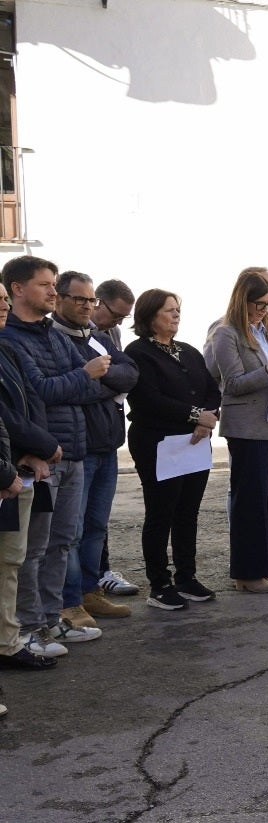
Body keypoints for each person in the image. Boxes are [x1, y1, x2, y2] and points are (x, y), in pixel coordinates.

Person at [0, 256, 116, 652]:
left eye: (54, 284)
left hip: (74, 452)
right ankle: (30, 629)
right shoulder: (10, 339)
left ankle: (52, 621)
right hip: (40, 456)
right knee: (33, 550)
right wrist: (82, 377)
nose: (54, 291)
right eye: (45, 285)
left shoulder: (54, 333)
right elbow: (42, 392)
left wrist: (79, 380)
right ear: (18, 289)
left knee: (63, 541)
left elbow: (99, 384)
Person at [125, 289, 221, 611]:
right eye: (169, 310)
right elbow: (147, 398)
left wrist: (207, 421)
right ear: (150, 315)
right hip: (158, 442)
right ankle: (159, 584)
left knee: (188, 512)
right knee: (161, 511)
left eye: (178, 310)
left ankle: (186, 576)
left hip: (194, 442)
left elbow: (211, 390)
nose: (176, 315)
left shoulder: (189, 351)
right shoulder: (138, 352)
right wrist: (195, 415)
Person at [52, 271, 139, 626]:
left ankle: (91, 591)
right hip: (77, 447)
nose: (87, 306)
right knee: (69, 532)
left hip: (106, 445)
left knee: (96, 527)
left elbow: (130, 372)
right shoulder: (54, 339)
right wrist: (94, 380)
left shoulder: (98, 337)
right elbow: (67, 387)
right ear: (59, 299)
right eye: (80, 299)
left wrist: (95, 378)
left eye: (90, 301)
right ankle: (70, 601)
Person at [203, 269, 268, 594]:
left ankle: (264, 566)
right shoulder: (226, 333)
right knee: (249, 501)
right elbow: (232, 383)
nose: (265, 310)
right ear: (244, 300)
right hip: (247, 426)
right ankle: (247, 573)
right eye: (260, 304)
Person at [0, 282, 60, 669]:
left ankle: (7, 643)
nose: (3, 306)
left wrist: (32, 451)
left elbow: (27, 404)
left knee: (9, 563)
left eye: (4, 299)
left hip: (14, 473)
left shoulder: (5, 349)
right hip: (8, 474)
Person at [89, 279, 141, 600]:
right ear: (98, 302)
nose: (120, 323)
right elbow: (82, 384)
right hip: (84, 435)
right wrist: (110, 384)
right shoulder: (71, 334)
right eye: (116, 315)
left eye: (125, 318)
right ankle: (88, 582)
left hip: (109, 431)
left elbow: (130, 375)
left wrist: (108, 382)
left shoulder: (113, 333)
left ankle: (101, 572)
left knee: (99, 515)